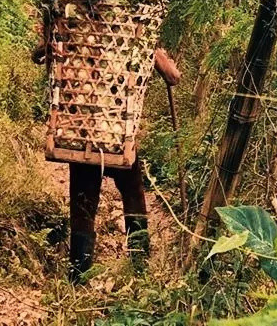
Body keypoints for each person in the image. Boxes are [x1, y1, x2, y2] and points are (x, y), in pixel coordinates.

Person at [35, 42, 181, 281]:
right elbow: (172, 77)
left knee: (83, 201)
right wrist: (161, 58)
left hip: (82, 129)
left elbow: (38, 55)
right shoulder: (132, 40)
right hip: (117, 133)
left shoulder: (77, 38)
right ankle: (140, 267)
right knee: (133, 194)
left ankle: (78, 275)